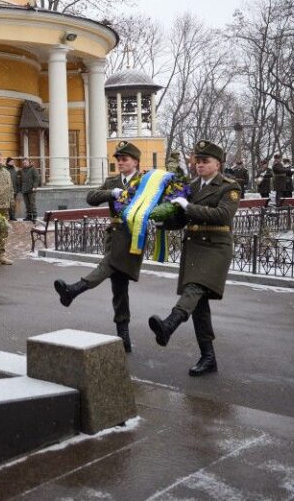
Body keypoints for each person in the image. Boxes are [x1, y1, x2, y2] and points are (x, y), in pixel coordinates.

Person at [147, 140, 241, 377]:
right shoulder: (192, 186)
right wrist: (163, 221)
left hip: (216, 247)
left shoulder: (229, 187)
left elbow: (222, 215)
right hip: (195, 247)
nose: (199, 165)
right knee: (199, 305)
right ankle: (208, 357)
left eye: (204, 161)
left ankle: (170, 324)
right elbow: (182, 219)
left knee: (194, 288)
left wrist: (187, 207)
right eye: (197, 161)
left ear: (217, 164)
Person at [53, 141, 142, 352]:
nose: (120, 163)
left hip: (133, 236)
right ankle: (124, 335)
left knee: (108, 265)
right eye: (118, 159)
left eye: (124, 159)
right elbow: (91, 197)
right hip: (114, 235)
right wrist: (110, 193)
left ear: (136, 161)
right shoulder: (112, 181)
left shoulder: (146, 181)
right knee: (119, 286)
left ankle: (74, 289)